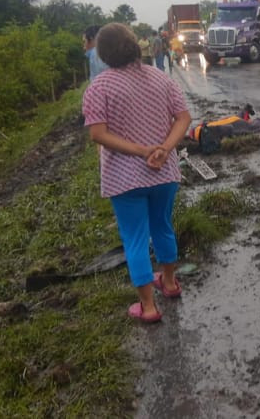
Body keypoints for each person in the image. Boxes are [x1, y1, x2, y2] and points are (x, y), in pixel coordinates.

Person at [82, 22, 191, 323]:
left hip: (124, 177)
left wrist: (142, 151)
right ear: (133, 46)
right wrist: (164, 149)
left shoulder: (100, 87)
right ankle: (169, 283)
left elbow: (98, 135)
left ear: (103, 54)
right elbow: (183, 118)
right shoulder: (161, 78)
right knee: (163, 228)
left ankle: (148, 306)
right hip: (164, 173)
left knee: (135, 239)